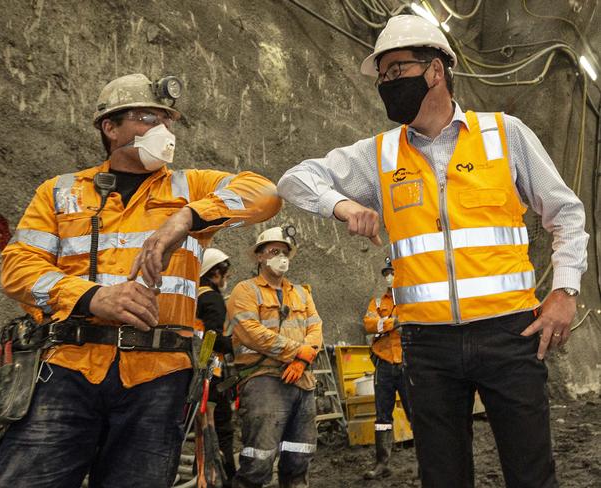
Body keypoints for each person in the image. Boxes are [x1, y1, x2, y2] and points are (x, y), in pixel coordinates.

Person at [277, 14, 588, 488]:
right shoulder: (379, 155)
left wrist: (564, 290)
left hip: (509, 333)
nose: (386, 84)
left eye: (396, 71)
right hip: (426, 345)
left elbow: (565, 213)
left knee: (531, 473)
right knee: (441, 476)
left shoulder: (505, 135)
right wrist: (339, 204)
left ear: (436, 70)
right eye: (382, 76)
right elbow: (294, 180)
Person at [0, 72, 281, 488]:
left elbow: (266, 194)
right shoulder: (59, 192)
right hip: (65, 370)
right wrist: (92, 297)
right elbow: (17, 268)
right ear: (110, 127)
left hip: (158, 378)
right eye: (147, 117)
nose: (163, 129)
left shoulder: (191, 188)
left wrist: (186, 217)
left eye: (168, 119)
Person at [226, 227, 323, 488]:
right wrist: (295, 351)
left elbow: (315, 329)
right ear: (259, 256)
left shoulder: (302, 293)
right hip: (263, 380)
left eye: (285, 252)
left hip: (302, 381)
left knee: (299, 459)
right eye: (274, 251)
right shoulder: (245, 291)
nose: (281, 257)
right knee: (259, 460)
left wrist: (302, 360)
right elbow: (251, 332)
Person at [362, 256, 411, 479]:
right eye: (386, 274)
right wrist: (393, 322)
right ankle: (382, 463)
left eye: (392, 272)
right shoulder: (378, 303)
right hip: (384, 363)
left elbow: (414, 321)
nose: (389, 277)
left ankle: (426, 462)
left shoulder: (412, 298)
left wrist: (386, 324)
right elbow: (368, 324)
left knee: (417, 414)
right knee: (382, 418)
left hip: (408, 364)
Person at [196, 247, 236, 487]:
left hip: (197, 369)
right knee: (221, 427)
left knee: (202, 431)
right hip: (210, 373)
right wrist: (233, 344)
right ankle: (225, 477)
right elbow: (211, 335)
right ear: (216, 273)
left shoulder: (194, 295)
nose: (225, 279)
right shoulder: (211, 297)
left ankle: (204, 472)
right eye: (224, 274)